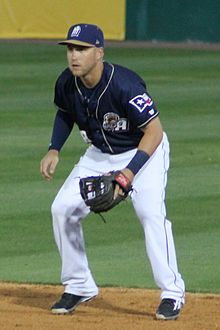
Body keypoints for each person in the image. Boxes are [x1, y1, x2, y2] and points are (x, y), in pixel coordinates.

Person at [40, 23, 185, 320]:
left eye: (81, 49)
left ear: (100, 53)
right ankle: (79, 285)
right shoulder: (67, 82)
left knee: (150, 214)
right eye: (70, 49)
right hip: (99, 154)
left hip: (143, 152)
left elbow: (154, 132)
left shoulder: (124, 84)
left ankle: (172, 292)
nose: (73, 56)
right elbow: (65, 113)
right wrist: (54, 148)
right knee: (62, 209)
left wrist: (128, 174)